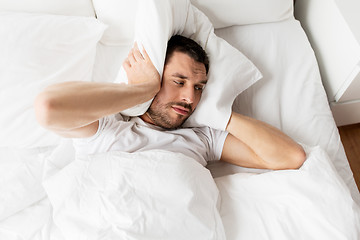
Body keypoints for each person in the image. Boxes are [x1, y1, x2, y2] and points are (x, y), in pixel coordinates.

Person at [35, 35, 306, 170]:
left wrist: (222, 114)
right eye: (179, 81)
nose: (190, 98)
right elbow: (49, 107)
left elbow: (291, 157)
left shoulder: (203, 139)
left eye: (199, 87)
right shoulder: (106, 130)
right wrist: (144, 90)